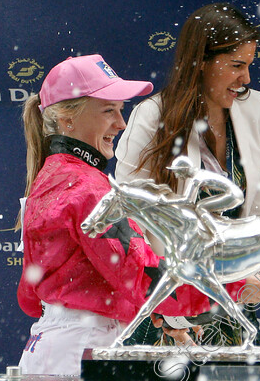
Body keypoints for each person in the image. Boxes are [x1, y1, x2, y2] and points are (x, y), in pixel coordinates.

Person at [115, 2, 260, 346]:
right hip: (166, 306)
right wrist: (172, 307)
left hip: (233, 303)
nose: (247, 79)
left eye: (250, 65)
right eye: (237, 65)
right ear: (201, 62)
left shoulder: (255, 108)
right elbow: (130, 222)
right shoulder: (152, 116)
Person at [16, 54, 157, 375]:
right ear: (67, 119)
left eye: (120, 110)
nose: (121, 123)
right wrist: (230, 285)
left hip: (52, 349)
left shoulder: (49, 178)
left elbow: (29, 296)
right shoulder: (89, 189)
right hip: (82, 353)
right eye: (108, 110)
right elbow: (143, 277)